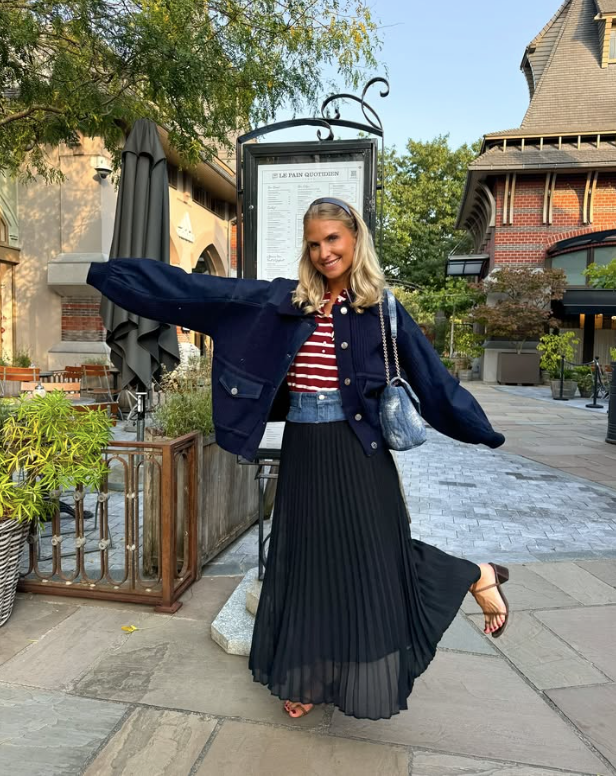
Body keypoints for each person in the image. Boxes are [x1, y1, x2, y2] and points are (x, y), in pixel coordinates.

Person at [87, 197, 509, 722]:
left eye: (333, 239)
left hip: (361, 453)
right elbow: (196, 292)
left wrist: (483, 432)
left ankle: (474, 574)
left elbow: (435, 382)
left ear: (354, 239)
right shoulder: (285, 302)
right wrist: (109, 276)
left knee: (379, 557)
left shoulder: (383, 310)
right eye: (314, 243)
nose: (324, 251)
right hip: (305, 449)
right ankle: (309, 674)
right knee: (307, 562)